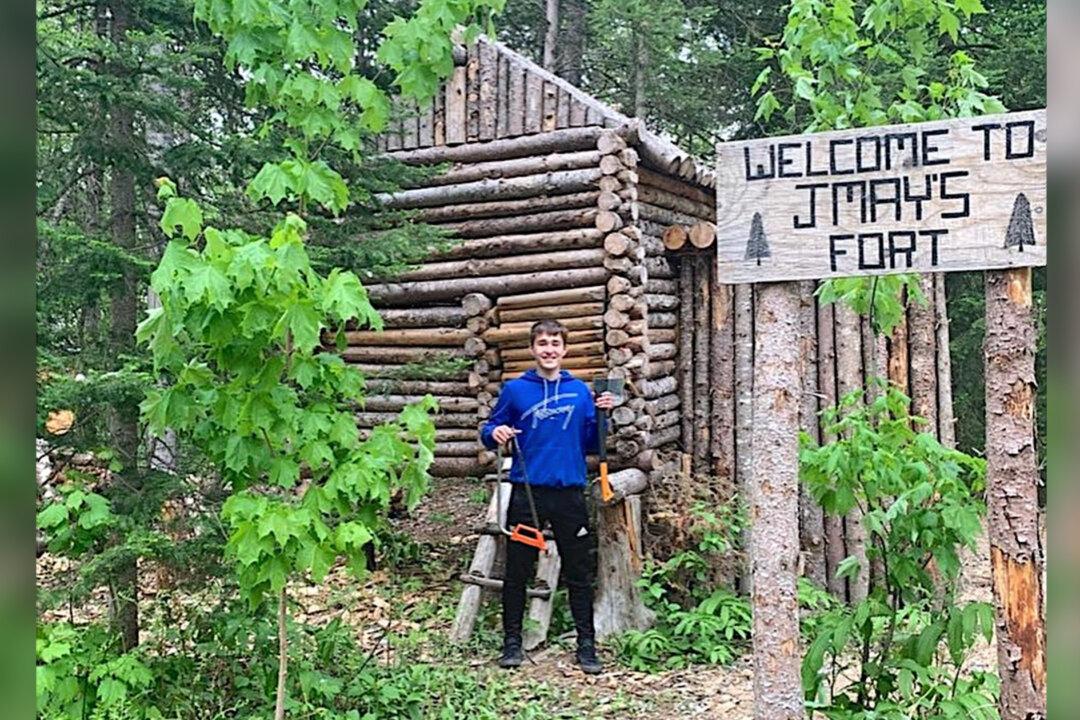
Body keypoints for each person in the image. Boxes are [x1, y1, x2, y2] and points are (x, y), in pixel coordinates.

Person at [480, 319, 615, 674]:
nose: (549, 349)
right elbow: (488, 428)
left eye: (555, 342)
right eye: (543, 343)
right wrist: (497, 433)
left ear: (564, 349)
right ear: (533, 348)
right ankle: (512, 643)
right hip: (528, 491)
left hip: (570, 491)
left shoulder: (580, 391)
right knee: (517, 570)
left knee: (579, 572)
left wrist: (604, 415)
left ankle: (587, 645)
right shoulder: (515, 390)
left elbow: (592, 442)